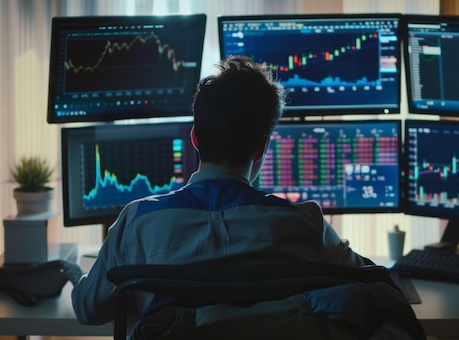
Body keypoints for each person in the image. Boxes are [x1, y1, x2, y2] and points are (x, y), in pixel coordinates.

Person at [67, 55, 371, 325]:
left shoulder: (137, 222)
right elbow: (368, 279)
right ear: (261, 147)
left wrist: (72, 274)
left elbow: (89, 310)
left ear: (195, 139)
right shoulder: (306, 223)